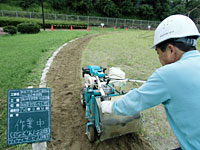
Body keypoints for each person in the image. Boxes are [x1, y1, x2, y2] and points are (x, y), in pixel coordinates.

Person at [101, 14, 200, 150]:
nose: (159, 58)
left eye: (158, 53)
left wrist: (110, 106)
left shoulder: (169, 74)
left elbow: (137, 99)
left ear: (171, 50)